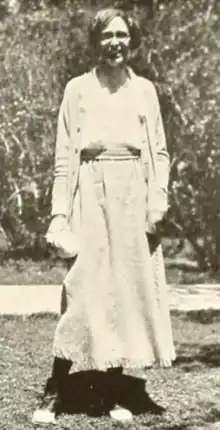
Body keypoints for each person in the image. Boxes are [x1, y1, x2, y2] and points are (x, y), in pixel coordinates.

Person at [32, 7, 175, 425]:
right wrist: (60, 214)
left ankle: (112, 394)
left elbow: (160, 151)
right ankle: (54, 390)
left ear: (131, 40)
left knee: (123, 293)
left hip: (133, 193)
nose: (116, 42)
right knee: (81, 290)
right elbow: (64, 159)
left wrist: (158, 201)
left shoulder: (145, 89)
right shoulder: (77, 89)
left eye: (122, 35)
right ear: (95, 42)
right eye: (107, 36)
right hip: (89, 193)